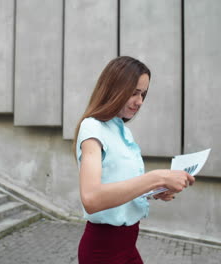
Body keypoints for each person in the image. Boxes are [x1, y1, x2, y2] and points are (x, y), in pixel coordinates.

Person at [73, 56, 195, 264]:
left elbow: (119, 185)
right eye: (134, 93)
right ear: (113, 88)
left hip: (128, 245)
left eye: (143, 94)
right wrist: (157, 177)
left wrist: (155, 191)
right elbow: (92, 199)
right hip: (103, 251)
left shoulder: (124, 132)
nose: (140, 101)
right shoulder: (92, 127)